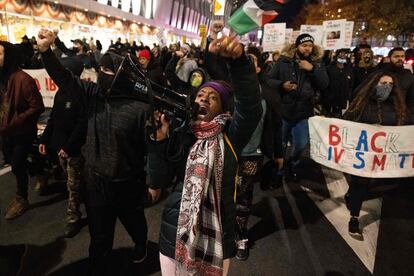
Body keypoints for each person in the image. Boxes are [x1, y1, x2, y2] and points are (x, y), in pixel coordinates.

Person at [37, 29, 151, 275]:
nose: (103, 74)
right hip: (95, 181)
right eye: (101, 69)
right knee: (99, 237)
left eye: (109, 71)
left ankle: (141, 246)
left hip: (127, 182)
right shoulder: (91, 95)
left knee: (135, 224)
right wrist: (46, 51)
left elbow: (149, 149)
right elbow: (65, 79)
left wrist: (153, 180)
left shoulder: (140, 109)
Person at [147, 35, 262, 275]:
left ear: (224, 109)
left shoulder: (231, 136)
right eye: (200, 95)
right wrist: (159, 141)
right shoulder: (182, 132)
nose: (204, 99)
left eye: (213, 98)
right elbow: (159, 180)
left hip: (217, 240)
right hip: (174, 235)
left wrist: (240, 63)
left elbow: (250, 106)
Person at [343, 71, 411, 237]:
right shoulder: (361, 104)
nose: (386, 87)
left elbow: (407, 127)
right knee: (360, 182)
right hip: (363, 154)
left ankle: (351, 194)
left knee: (364, 184)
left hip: (381, 157)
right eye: (382, 83)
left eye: (390, 85)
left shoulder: (398, 107)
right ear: (374, 84)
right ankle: (354, 217)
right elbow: (346, 122)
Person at [234, 50, 283, 261]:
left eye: (250, 63)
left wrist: (278, 152)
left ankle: (240, 236)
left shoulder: (269, 93)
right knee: (222, 193)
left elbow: (276, 125)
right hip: (227, 152)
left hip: (252, 155)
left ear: (258, 69)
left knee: (243, 197)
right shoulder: (228, 90)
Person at [266, 33, 329, 182]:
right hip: (283, 110)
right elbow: (268, 80)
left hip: (304, 112)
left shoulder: (317, 63)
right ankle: (279, 168)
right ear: (297, 46)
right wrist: (282, 85)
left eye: (309, 45)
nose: (307, 48)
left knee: (301, 144)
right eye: (304, 45)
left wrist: (312, 69)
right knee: (280, 143)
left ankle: (293, 164)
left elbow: (325, 84)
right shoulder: (284, 61)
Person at [38, 56, 87, 239]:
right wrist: (44, 139)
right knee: (71, 181)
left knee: (73, 185)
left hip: (73, 150)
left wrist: (69, 146)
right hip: (60, 148)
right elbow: (53, 119)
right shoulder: (61, 93)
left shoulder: (79, 93)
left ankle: (73, 218)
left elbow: (82, 124)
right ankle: (86, 198)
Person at [0, 41, 45, 220]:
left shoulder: (23, 78)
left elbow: (37, 106)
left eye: (1, 53)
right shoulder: (2, 77)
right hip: (6, 132)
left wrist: (15, 121)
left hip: (22, 131)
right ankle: (40, 171)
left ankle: (22, 198)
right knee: (14, 161)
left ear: (9, 56)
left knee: (18, 165)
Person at [324, 48, 353, 118]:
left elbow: (351, 85)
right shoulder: (329, 68)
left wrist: (348, 97)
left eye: (345, 54)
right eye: (341, 54)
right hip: (329, 102)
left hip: (341, 103)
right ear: (337, 55)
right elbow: (325, 84)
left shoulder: (349, 70)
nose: (343, 55)